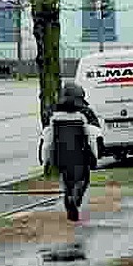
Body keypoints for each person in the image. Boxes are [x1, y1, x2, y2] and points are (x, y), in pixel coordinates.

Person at [39, 82, 102, 222]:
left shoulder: (52, 113)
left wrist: (45, 160)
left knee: (66, 181)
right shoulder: (85, 112)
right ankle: (75, 198)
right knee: (84, 179)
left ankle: (69, 198)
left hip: (59, 156)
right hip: (81, 155)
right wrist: (95, 156)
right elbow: (94, 134)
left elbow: (46, 138)